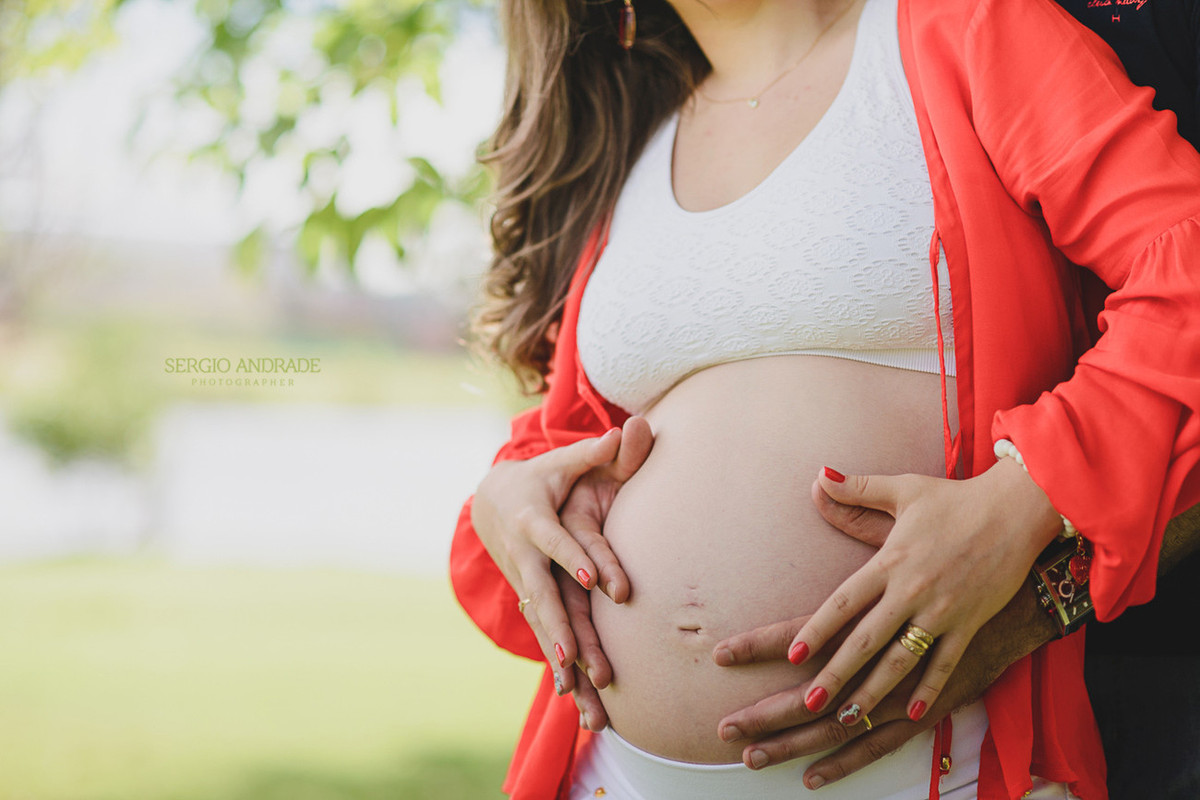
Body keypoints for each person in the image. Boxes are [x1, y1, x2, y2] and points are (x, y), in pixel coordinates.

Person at [450, 0, 1200, 798]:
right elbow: (569, 438)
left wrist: (1025, 500)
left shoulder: (972, 30)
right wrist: (508, 498)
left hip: (941, 768)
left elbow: (1182, 269)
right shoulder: (630, 146)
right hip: (614, 776)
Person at [710, 3, 1200, 797]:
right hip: (621, 763)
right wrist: (514, 488)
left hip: (1148, 662)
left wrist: (1027, 565)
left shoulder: (990, 25)